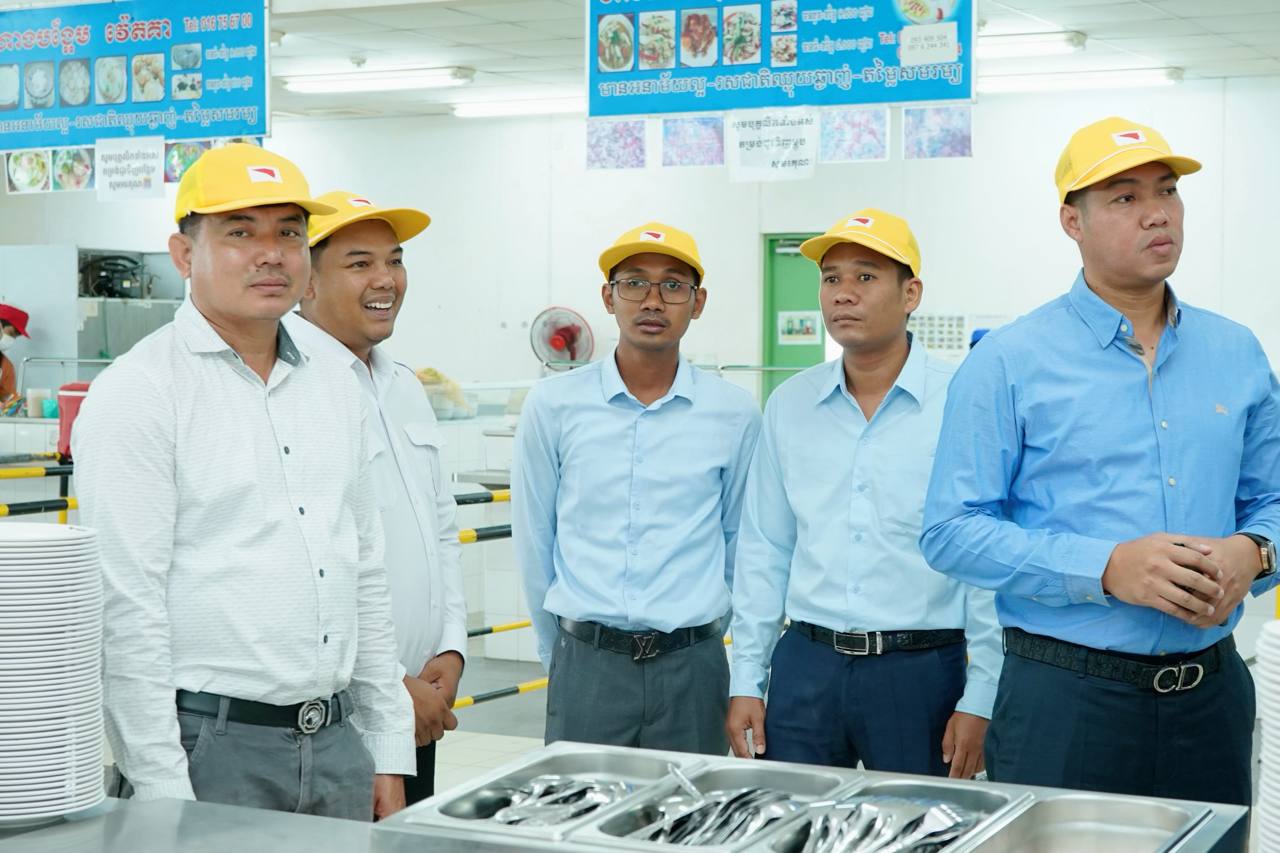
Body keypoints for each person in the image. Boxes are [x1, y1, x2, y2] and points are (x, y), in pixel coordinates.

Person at [921, 117, 1280, 805]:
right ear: (1072, 221)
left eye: (1167, 191)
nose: (1157, 213)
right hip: (1066, 702)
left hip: (1212, 697)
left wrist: (1256, 552)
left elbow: (1273, 499)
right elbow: (951, 530)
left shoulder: (1236, 352)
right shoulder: (1009, 361)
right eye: (1124, 198)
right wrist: (1105, 567)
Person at [73, 145, 415, 820]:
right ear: (183, 254)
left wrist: (386, 744)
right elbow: (126, 609)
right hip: (209, 747)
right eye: (240, 232)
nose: (271, 254)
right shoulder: (141, 393)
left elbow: (364, 572)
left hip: (338, 742)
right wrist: (161, 789)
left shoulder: (334, 383)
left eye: (289, 233)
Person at [726, 209, 1000, 778]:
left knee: (917, 819)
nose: (843, 293)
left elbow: (984, 557)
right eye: (831, 278)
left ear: (911, 293)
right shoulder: (790, 405)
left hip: (920, 670)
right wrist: (747, 678)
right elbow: (765, 548)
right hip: (806, 665)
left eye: (866, 277)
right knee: (791, 817)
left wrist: (982, 693)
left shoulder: (962, 400)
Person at [513, 222, 761, 754]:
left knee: (691, 806)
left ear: (697, 303)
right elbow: (535, 539)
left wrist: (715, 646)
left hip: (693, 668)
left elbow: (741, 544)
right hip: (587, 663)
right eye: (633, 283)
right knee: (580, 806)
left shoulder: (734, 412)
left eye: (673, 285)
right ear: (608, 297)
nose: (652, 300)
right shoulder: (553, 405)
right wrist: (559, 653)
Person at [283, 191, 465, 804]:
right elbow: (304, 567)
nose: (386, 279)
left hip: (424, 702)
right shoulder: (290, 392)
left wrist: (451, 647)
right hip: (339, 713)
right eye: (360, 263)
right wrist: (389, 685)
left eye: (395, 260)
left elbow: (440, 529)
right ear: (307, 280)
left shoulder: (403, 385)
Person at [0, 303, 30, 402]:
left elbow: (8, 398)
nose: (11, 340)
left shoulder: (6, 366)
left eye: (15, 337)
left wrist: (19, 402)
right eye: (11, 334)